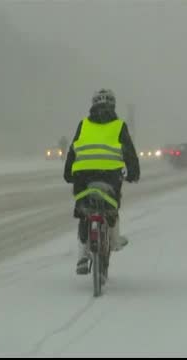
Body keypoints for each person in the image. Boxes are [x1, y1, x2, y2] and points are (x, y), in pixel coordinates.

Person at [63, 88, 141, 275]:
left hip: (83, 176)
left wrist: (68, 174)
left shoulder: (83, 125)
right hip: (110, 175)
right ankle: (114, 241)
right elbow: (129, 152)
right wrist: (133, 173)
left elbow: (73, 150)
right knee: (112, 210)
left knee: (84, 211)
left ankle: (83, 255)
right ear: (113, 105)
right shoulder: (119, 125)